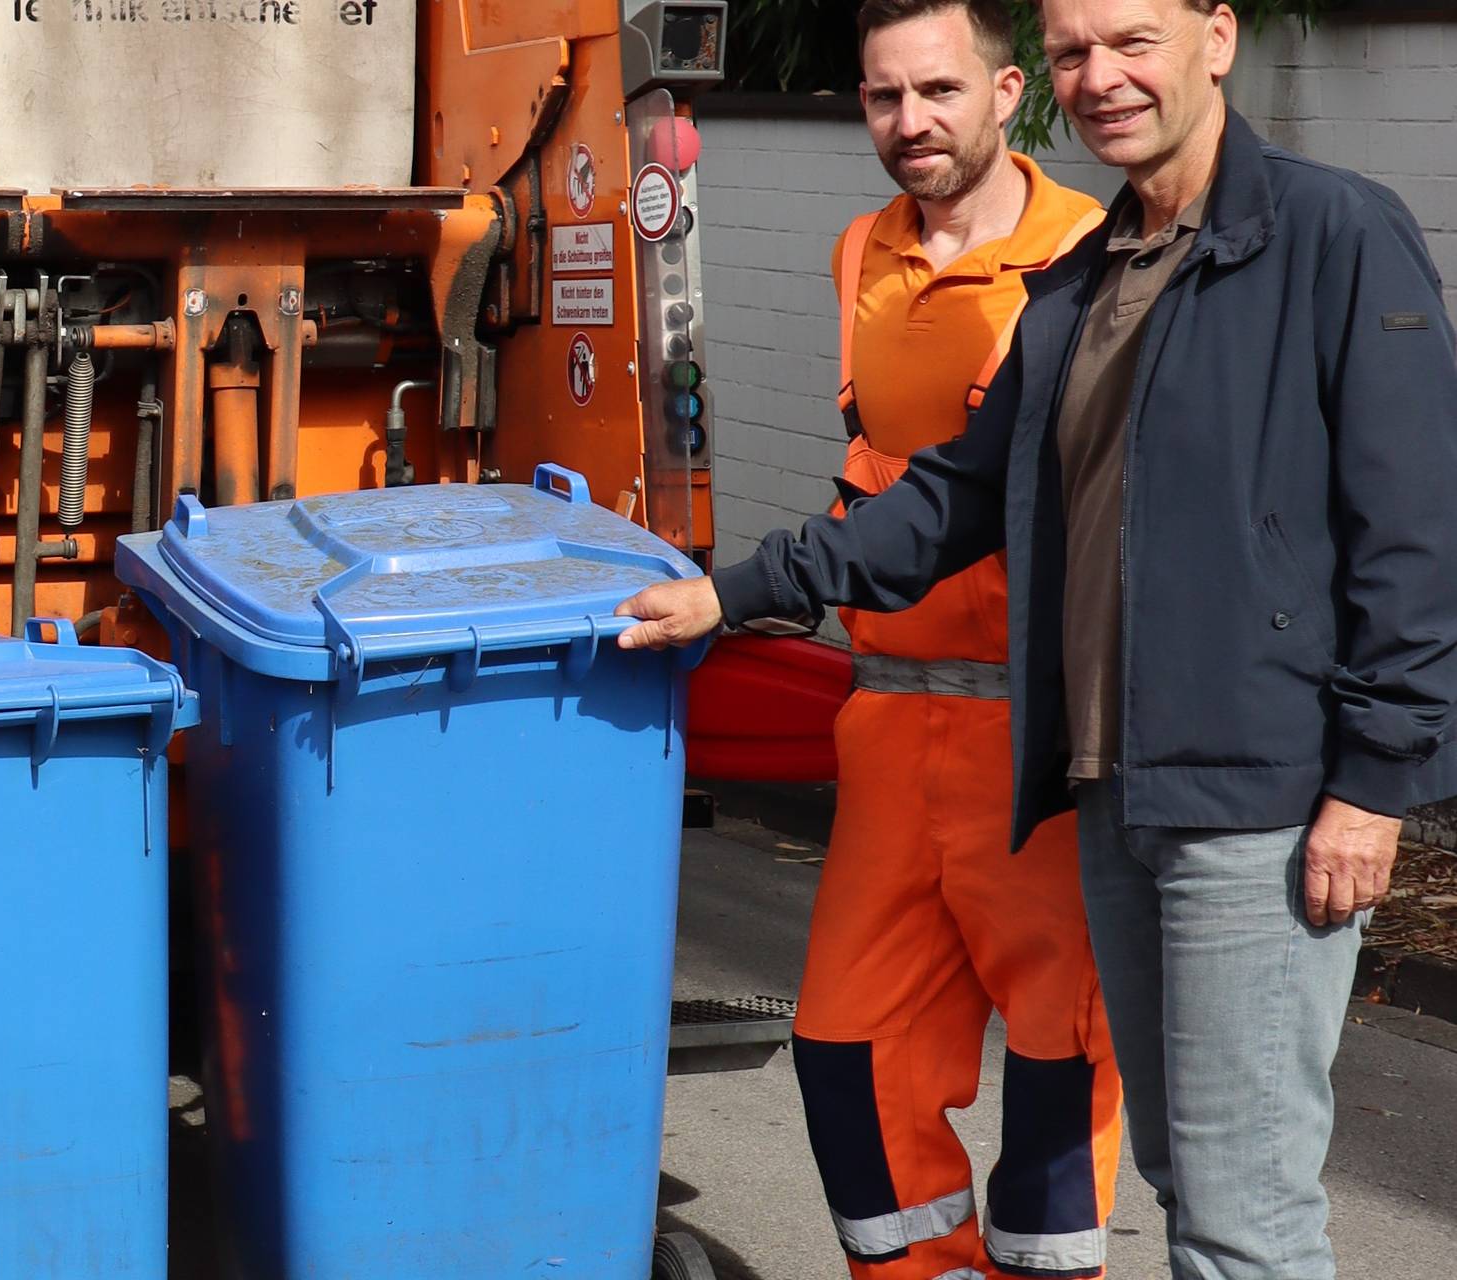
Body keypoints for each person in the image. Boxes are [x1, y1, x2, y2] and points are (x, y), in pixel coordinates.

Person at [619, 0, 1457, 1275]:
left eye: (1131, 42)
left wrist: (1371, 783)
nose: (1102, 78)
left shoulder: (1330, 234)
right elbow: (949, 496)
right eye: (1077, 52)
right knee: (1183, 1174)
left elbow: (1414, 522)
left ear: (1214, 40)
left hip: (1260, 793)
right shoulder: (1082, 283)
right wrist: (731, 592)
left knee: (1243, 1212)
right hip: (1114, 785)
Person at [791, 6, 1122, 1279]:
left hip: (1030, 736)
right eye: (883, 97)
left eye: (936, 90)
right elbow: (873, 477)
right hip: (885, 721)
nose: (909, 122)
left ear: (1004, 90)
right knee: (844, 1051)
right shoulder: (856, 253)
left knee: (1055, 1063)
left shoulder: (1088, 255)